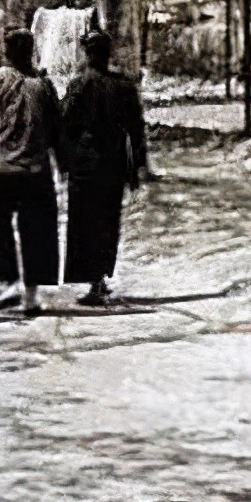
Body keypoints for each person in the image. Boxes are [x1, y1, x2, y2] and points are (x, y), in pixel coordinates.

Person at [0, 28, 62, 313]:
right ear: (31, 50)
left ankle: (7, 285)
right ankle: (32, 296)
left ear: (7, 51)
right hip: (36, 168)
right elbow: (57, 130)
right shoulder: (45, 85)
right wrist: (63, 165)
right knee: (37, 230)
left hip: (2, 168)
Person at [60, 30, 148, 306]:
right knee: (108, 222)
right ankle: (99, 278)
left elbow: (63, 124)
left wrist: (64, 161)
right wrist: (137, 169)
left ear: (87, 53)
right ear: (108, 54)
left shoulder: (79, 85)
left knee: (84, 223)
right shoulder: (124, 87)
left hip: (85, 165)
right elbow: (137, 131)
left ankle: (93, 281)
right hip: (113, 163)